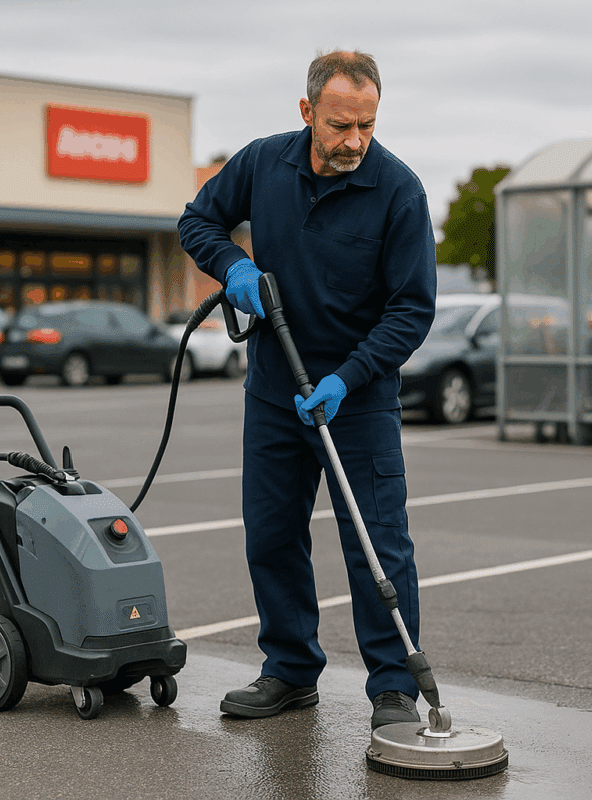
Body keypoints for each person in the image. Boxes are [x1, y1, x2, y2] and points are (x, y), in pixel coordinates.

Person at [178, 50, 436, 729]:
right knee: (271, 535)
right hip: (274, 391)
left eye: (367, 125)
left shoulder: (399, 191)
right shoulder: (263, 164)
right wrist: (232, 265)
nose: (355, 141)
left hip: (357, 398)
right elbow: (197, 221)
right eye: (340, 125)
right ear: (307, 111)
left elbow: (412, 310)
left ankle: (394, 688)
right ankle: (290, 671)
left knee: (377, 544)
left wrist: (347, 378)